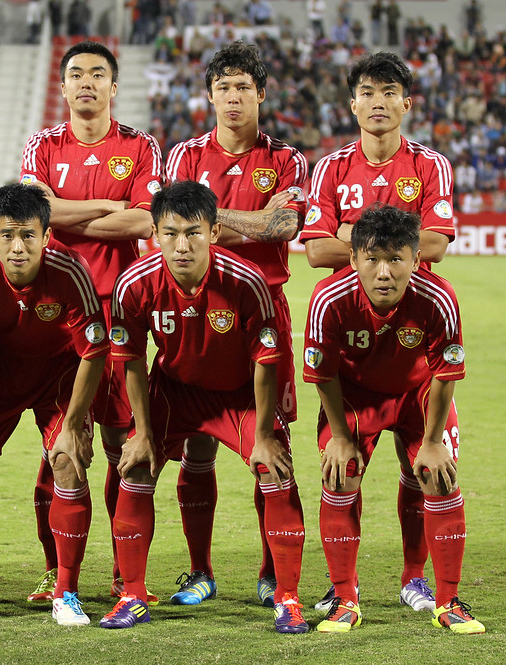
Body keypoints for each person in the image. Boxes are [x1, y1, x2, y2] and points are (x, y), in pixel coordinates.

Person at [102, 180, 307, 634]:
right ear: (154, 234)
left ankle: (288, 598)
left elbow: (266, 361)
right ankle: (133, 595)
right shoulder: (134, 284)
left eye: (193, 233)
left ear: (214, 233)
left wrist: (267, 434)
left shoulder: (246, 281)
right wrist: (141, 430)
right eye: (170, 233)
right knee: (135, 468)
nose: (181, 246)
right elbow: (132, 362)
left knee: (276, 470)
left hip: (239, 393)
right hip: (176, 390)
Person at [301, 51, 457, 614]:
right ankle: (345, 586)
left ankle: (415, 577)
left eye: (390, 92)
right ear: (352, 104)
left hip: (415, 335)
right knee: (342, 468)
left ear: (407, 104)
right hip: (351, 338)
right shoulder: (331, 168)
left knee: (426, 468)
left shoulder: (431, 165)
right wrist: (390, 242)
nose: (378, 103)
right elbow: (315, 250)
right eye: (367, 92)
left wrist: (351, 235)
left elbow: (437, 245)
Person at [162, 41, 307, 608]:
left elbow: (284, 225)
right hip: (194, 311)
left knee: (270, 444)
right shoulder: (184, 157)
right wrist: (249, 222)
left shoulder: (288, 159)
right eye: (222, 87)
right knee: (196, 448)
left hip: (263, 314)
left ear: (261, 94)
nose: (232, 97)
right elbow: (174, 230)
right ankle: (200, 571)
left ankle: (273, 573)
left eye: (243, 86)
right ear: (209, 95)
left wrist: (207, 218)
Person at [19, 40, 161, 603]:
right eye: (75, 74)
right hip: (57, 316)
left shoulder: (140, 145)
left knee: (121, 443)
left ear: (113, 86)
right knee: (61, 442)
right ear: (62, 86)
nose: (86, 82)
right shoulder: (42, 145)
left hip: (119, 311)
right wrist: (108, 207)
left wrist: (68, 211)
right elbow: (37, 214)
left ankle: (127, 576)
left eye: (97, 74)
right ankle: (59, 572)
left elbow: (144, 220)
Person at [304, 205, 483, 635]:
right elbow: (323, 375)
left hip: (416, 394)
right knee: (340, 472)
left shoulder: (439, 297)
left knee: (438, 474)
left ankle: (447, 600)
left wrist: (434, 439)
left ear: (416, 260)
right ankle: (344, 597)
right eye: (373, 259)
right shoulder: (328, 298)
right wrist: (342, 436)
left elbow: (444, 374)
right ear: (353, 259)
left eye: (396, 259)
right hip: (354, 396)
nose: (384, 272)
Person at [0, 183, 108, 626]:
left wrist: (73, 423)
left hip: (58, 376)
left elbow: (94, 351)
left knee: (68, 460)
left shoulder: (72, 270)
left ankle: (66, 593)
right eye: (7, 234)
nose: (18, 247)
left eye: (28, 235)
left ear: (47, 236)